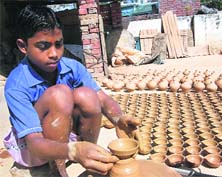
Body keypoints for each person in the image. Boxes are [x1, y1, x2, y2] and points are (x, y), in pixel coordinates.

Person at [3, 5, 140, 177]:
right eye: (43, 46)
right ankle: (57, 171)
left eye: (58, 44)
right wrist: (73, 151)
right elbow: (34, 142)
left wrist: (118, 118)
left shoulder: (72, 67)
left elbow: (102, 99)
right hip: (34, 148)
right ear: (23, 46)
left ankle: (90, 157)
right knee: (59, 94)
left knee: (87, 95)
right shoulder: (16, 85)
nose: (54, 54)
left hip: (64, 137)